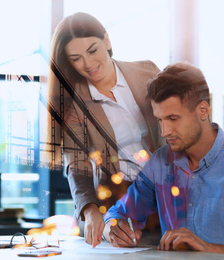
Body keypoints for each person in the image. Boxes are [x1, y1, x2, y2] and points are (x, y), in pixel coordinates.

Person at [103, 62, 224, 259]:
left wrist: (207, 248)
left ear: (203, 110)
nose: (165, 132)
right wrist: (114, 228)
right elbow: (117, 214)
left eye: (173, 118)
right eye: (160, 120)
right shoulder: (160, 163)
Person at [46, 12, 164, 247]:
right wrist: (91, 212)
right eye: (76, 58)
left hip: (167, 190)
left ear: (107, 41)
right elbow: (76, 165)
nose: (88, 64)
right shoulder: (75, 104)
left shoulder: (148, 72)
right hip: (118, 198)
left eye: (92, 50)